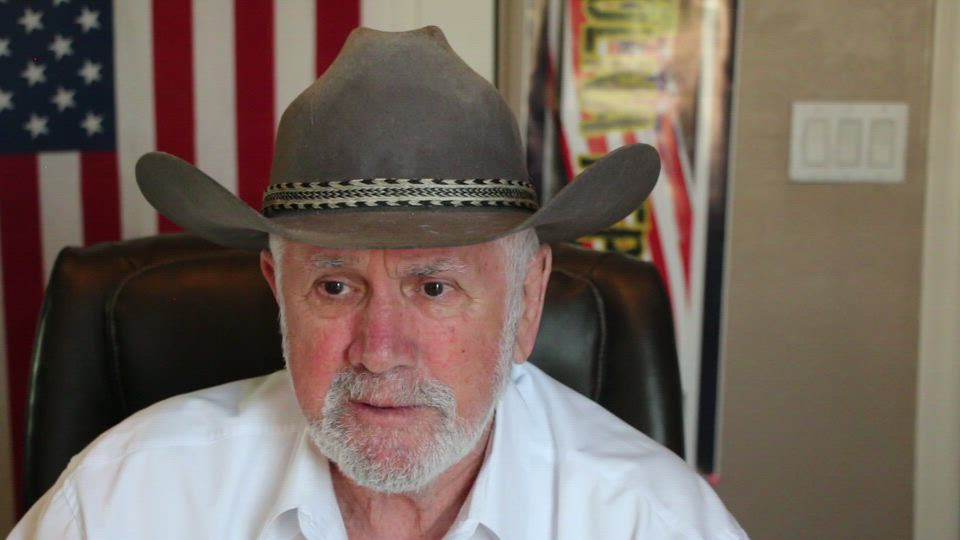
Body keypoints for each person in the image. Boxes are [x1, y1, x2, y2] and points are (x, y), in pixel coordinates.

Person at [11, 27, 747, 539]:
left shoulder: (648, 522)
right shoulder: (125, 500)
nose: (379, 350)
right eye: (335, 286)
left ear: (526, 302)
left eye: (434, 288)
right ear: (277, 290)